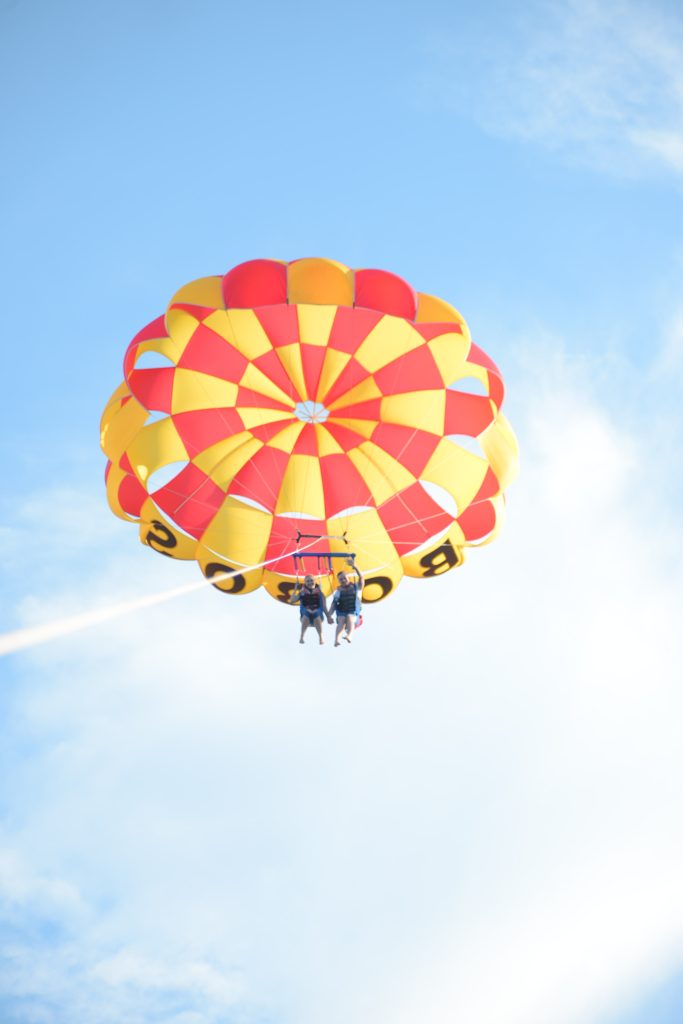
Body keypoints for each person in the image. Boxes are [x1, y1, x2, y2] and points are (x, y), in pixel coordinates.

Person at [330, 559, 365, 646]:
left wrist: (355, 567)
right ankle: (337, 640)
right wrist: (328, 615)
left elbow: (361, 578)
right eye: (340, 579)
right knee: (341, 619)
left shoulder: (356, 587)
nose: (343, 580)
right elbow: (334, 604)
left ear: (348, 578)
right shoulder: (338, 591)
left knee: (349, 617)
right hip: (342, 612)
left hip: (353, 612)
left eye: (344, 578)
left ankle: (349, 635)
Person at [290, 575, 333, 644]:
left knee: (316, 613)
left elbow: (324, 606)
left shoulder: (320, 593)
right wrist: (295, 589)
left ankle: (321, 637)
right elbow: (291, 600)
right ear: (305, 583)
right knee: (307, 612)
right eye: (307, 581)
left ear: (315, 581)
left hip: (317, 615)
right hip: (305, 614)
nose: (310, 582)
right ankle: (302, 636)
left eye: (311, 580)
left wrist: (328, 617)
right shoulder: (302, 593)